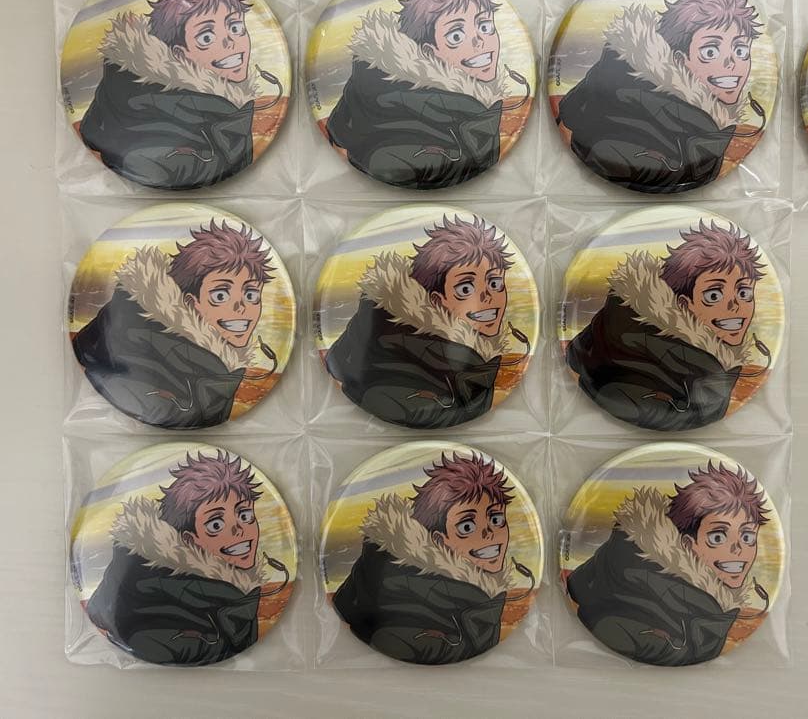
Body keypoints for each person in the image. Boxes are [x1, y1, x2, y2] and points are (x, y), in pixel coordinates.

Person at [327, 0, 528, 189]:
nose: (479, 40)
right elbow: (387, 163)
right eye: (456, 35)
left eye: (485, 26)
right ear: (429, 52)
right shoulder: (410, 124)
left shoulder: (472, 103)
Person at [80, 0, 281, 189]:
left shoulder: (217, 102)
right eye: (206, 37)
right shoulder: (171, 122)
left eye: (235, 27)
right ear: (179, 53)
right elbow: (148, 165)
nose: (229, 42)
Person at [557, 0, 764, 193]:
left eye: (741, 50)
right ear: (679, 59)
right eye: (710, 51)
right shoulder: (625, 126)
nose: (731, 62)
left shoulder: (706, 119)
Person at [86, 451, 288, 666]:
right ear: (189, 540)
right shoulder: (158, 608)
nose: (239, 529)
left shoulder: (234, 591)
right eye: (216, 524)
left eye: (245, 515)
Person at [325, 215, 528, 428]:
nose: (487, 296)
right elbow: (390, 403)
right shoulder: (398, 368)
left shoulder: (475, 355)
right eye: (465, 288)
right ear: (437, 301)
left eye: (495, 283)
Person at [566, 220, 770, 430]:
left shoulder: (709, 357)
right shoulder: (643, 366)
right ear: (684, 303)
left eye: (744, 292)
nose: (734, 305)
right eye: (714, 295)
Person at [332, 453, 532, 665]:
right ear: (439, 540)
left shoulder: (478, 592)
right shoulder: (411, 607)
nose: (488, 532)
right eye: (467, 526)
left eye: (496, 518)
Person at [73, 220, 276, 428]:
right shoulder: (148, 360)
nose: (241, 307)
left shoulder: (216, 361)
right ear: (191, 302)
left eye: (251, 295)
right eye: (221, 295)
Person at [567, 461, 770, 666]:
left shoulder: (712, 601)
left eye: (747, 536)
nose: (738, 548)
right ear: (687, 544)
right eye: (717, 537)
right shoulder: (644, 601)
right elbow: (609, 628)